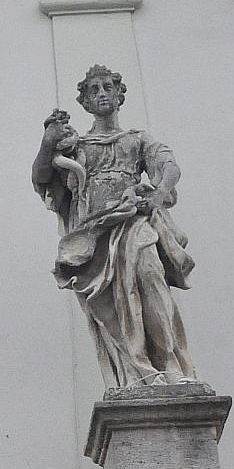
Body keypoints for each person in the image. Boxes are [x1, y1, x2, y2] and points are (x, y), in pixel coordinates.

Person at [32, 66, 196, 390]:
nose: (102, 93)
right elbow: (41, 178)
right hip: (94, 235)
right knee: (112, 308)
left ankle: (170, 363)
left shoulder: (137, 139)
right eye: (94, 90)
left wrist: (160, 194)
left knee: (151, 276)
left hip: (134, 221)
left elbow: (169, 167)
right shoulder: (75, 146)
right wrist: (48, 143)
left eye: (108, 87)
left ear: (119, 95)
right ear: (86, 102)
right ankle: (139, 370)